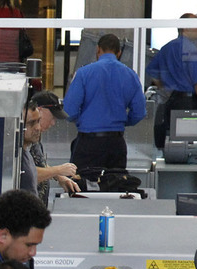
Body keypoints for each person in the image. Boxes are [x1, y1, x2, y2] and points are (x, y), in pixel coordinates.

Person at [63, 33, 147, 178]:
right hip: (116, 144)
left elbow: (69, 111)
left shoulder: (84, 73)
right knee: (115, 187)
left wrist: (83, 120)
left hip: (88, 142)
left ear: (98, 49)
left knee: (81, 189)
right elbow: (139, 113)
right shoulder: (130, 75)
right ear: (119, 52)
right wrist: (120, 121)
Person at [146, 16, 197, 148]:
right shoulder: (192, 51)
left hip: (171, 101)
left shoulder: (167, 48)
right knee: (189, 144)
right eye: (196, 24)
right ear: (185, 28)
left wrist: (166, 89)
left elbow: (153, 73)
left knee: (171, 142)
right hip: (188, 103)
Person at [29, 91, 79, 201]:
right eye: (52, 117)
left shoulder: (35, 137)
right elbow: (27, 173)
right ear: (39, 110)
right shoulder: (26, 137)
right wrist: (57, 170)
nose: (53, 123)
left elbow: (38, 163)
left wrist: (59, 177)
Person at [19, 102, 42, 196]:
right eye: (31, 123)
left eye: (38, 121)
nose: (38, 128)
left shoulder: (26, 153)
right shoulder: (18, 161)